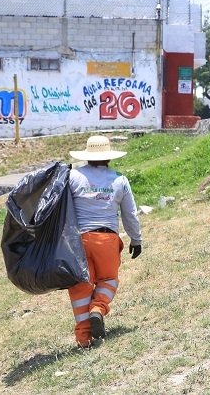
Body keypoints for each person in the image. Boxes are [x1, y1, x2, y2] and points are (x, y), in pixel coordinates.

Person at [67, 135, 142, 348]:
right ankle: (98, 308)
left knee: (81, 286)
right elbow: (129, 213)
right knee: (108, 279)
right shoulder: (119, 179)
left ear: (87, 156)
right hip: (107, 238)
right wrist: (136, 239)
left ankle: (84, 339)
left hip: (78, 241)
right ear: (109, 157)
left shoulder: (72, 176)